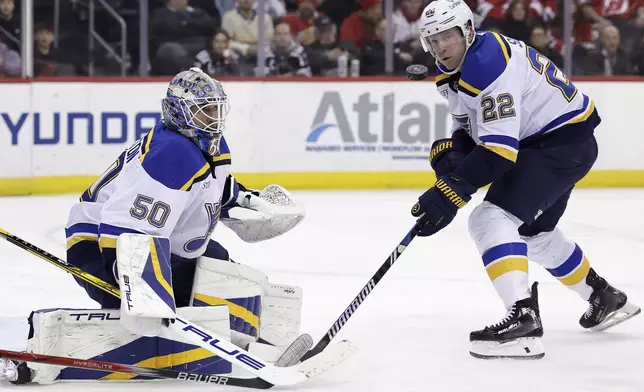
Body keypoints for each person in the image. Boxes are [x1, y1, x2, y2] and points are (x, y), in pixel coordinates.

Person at [0, 67, 306, 384]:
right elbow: (127, 225)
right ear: (180, 112)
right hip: (103, 247)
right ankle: (50, 346)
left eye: (217, 109)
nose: (214, 118)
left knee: (230, 275)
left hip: (158, 246)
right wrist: (134, 278)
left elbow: (212, 186)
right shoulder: (173, 153)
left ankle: (270, 342)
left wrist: (246, 201)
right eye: (205, 111)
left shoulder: (207, 143)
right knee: (147, 319)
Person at [412, 0, 641, 360]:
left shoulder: (487, 65)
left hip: (557, 145)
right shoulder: (457, 67)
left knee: (490, 219)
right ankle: (603, 297)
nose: (441, 47)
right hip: (561, 143)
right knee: (533, 234)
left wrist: (449, 192)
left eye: (447, 37)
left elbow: (499, 153)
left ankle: (523, 320)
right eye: (433, 40)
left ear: (467, 31)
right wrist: (454, 163)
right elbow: (471, 130)